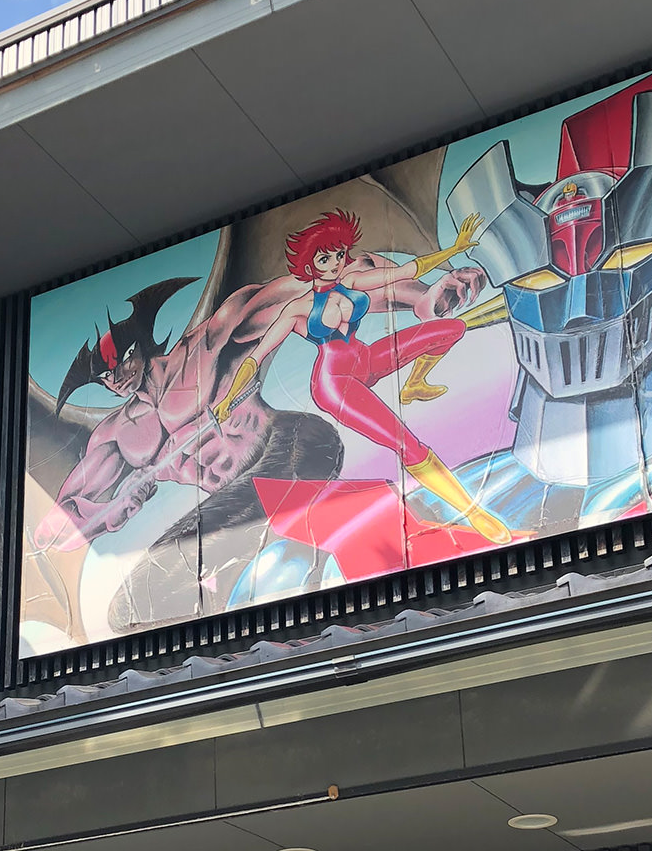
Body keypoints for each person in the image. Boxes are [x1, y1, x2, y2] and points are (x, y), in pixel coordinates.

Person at [37, 248, 487, 629]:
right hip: (246, 505)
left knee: (207, 533)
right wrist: (78, 523)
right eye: (104, 376)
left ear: (141, 343)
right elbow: (73, 510)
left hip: (292, 444)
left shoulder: (205, 347)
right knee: (137, 600)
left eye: (120, 361)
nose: (115, 378)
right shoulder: (118, 434)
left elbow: (310, 290)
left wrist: (421, 295)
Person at [214, 208, 511, 544]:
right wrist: (229, 399)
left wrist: (455, 249)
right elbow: (255, 358)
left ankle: (414, 384)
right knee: (407, 444)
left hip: (365, 359)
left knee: (450, 328)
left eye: (339, 255)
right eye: (325, 258)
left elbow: (407, 271)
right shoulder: (296, 310)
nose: (335, 263)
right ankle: (475, 513)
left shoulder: (351, 283)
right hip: (335, 383)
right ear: (309, 265)